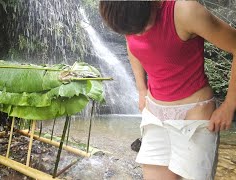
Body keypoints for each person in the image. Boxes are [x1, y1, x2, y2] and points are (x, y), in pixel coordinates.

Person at [99, 1, 236, 180]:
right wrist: (141, 89)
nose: (139, 33)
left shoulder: (185, 11)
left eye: (143, 26)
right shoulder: (125, 14)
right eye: (131, 31)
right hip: (154, 115)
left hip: (193, 116)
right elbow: (133, 47)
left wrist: (229, 105)